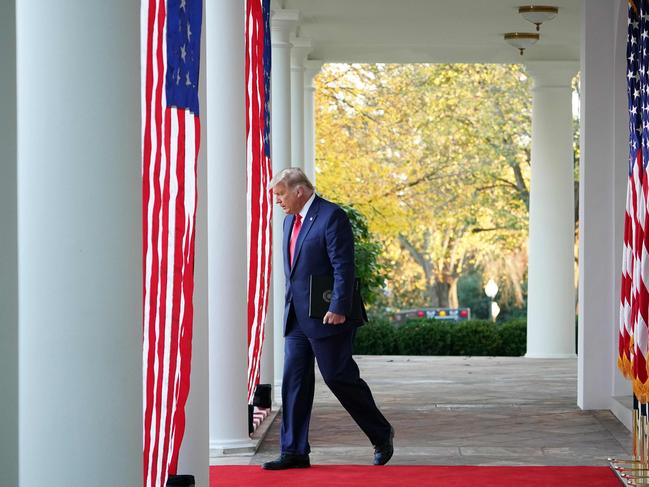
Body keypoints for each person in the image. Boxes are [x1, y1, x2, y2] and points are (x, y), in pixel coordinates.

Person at [262, 168, 394, 470]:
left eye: (281, 194)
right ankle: (294, 450)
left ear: (299, 191)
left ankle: (381, 432)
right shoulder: (286, 222)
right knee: (294, 380)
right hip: (297, 317)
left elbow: (343, 266)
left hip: (327, 315)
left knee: (338, 377)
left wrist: (338, 306)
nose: (278, 201)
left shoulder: (331, 216)